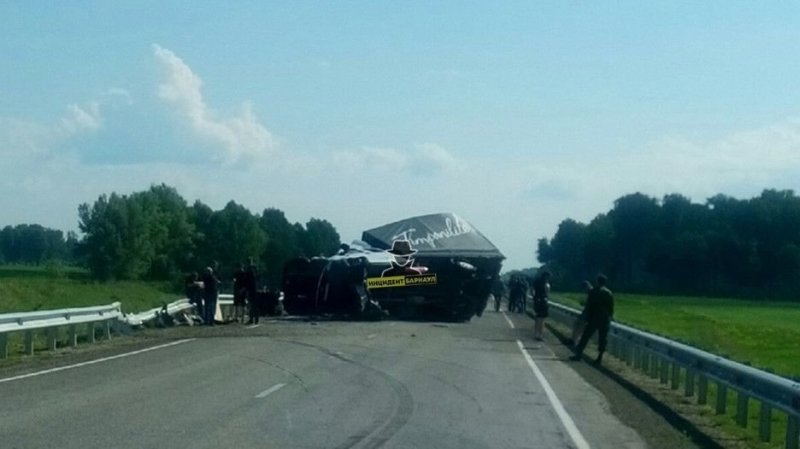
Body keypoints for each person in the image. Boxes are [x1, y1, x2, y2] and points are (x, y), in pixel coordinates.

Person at [570, 274, 615, 365]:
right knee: (602, 338)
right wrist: (610, 317)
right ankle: (599, 357)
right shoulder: (609, 293)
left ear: (597, 281)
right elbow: (611, 307)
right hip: (605, 318)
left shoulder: (593, 291)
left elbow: (589, 306)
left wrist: (586, 317)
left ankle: (579, 354)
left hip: (594, 317)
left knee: (586, 336)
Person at [568, 280, 593, 346]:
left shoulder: (591, 292)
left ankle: (575, 340)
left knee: (580, 326)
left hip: (588, 313)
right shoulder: (590, 291)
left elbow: (591, 303)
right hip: (586, 312)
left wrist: (584, 303)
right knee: (577, 325)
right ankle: (574, 339)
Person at [531, 271, 551, 341]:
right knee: (542, 319)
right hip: (543, 301)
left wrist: (534, 297)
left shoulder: (536, 281)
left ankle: (536, 333)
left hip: (536, 301)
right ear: (547, 277)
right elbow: (547, 292)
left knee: (537, 317)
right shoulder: (546, 284)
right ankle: (540, 335)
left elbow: (532, 290)